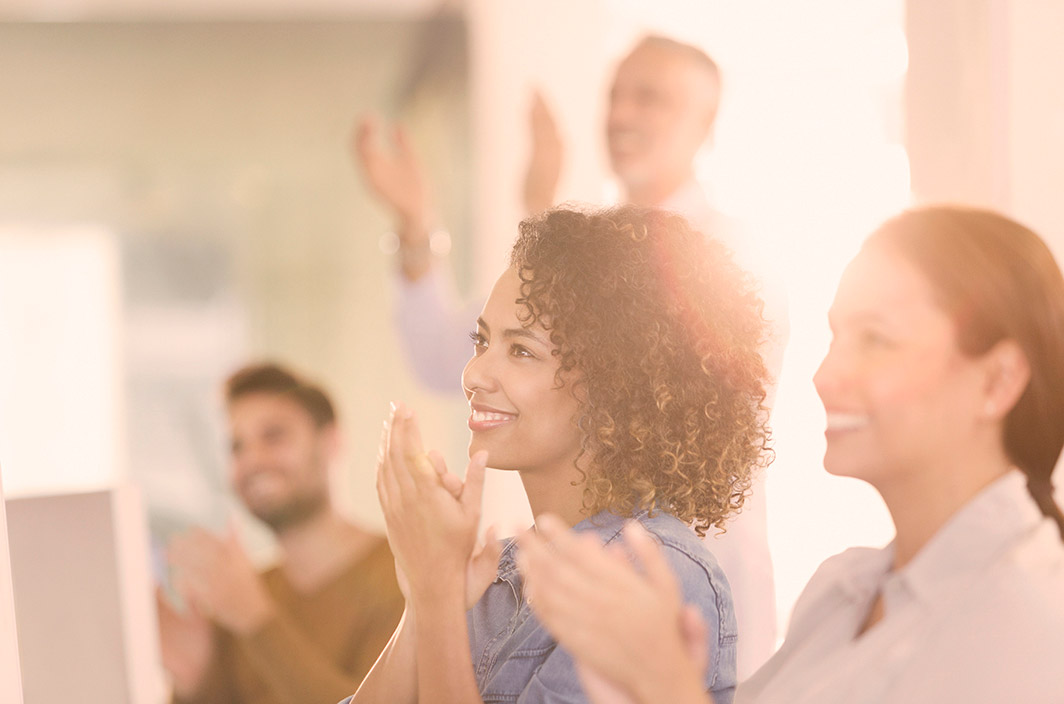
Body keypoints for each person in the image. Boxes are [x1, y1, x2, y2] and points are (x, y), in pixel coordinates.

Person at [515, 206, 1064, 704]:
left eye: (877, 339)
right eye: (835, 337)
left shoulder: (1043, 622)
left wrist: (666, 685)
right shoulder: (842, 589)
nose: (826, 376)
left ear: (998, 381)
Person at [356, 34, 786, 676]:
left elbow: (657, 395)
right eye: (615, 94)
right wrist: (419, 226)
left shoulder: (728, 266)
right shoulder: (506, 575)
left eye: (651, 98)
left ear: (707, 125)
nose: (622, 115)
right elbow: (443, 355)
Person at [340, 204, 773, 704]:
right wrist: (422, 603)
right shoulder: (492, 579)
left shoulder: (652, 573)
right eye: (481, 341)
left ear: (615, 386)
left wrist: (437, 598)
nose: (473, 375)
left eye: (521, 350)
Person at [156, 363, 405, 704]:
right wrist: (194, 677)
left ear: (330, 442)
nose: (253, 459)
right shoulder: (244, 593)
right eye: (236, 446)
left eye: (274, 436)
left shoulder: (403, 577)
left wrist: (257, 620)